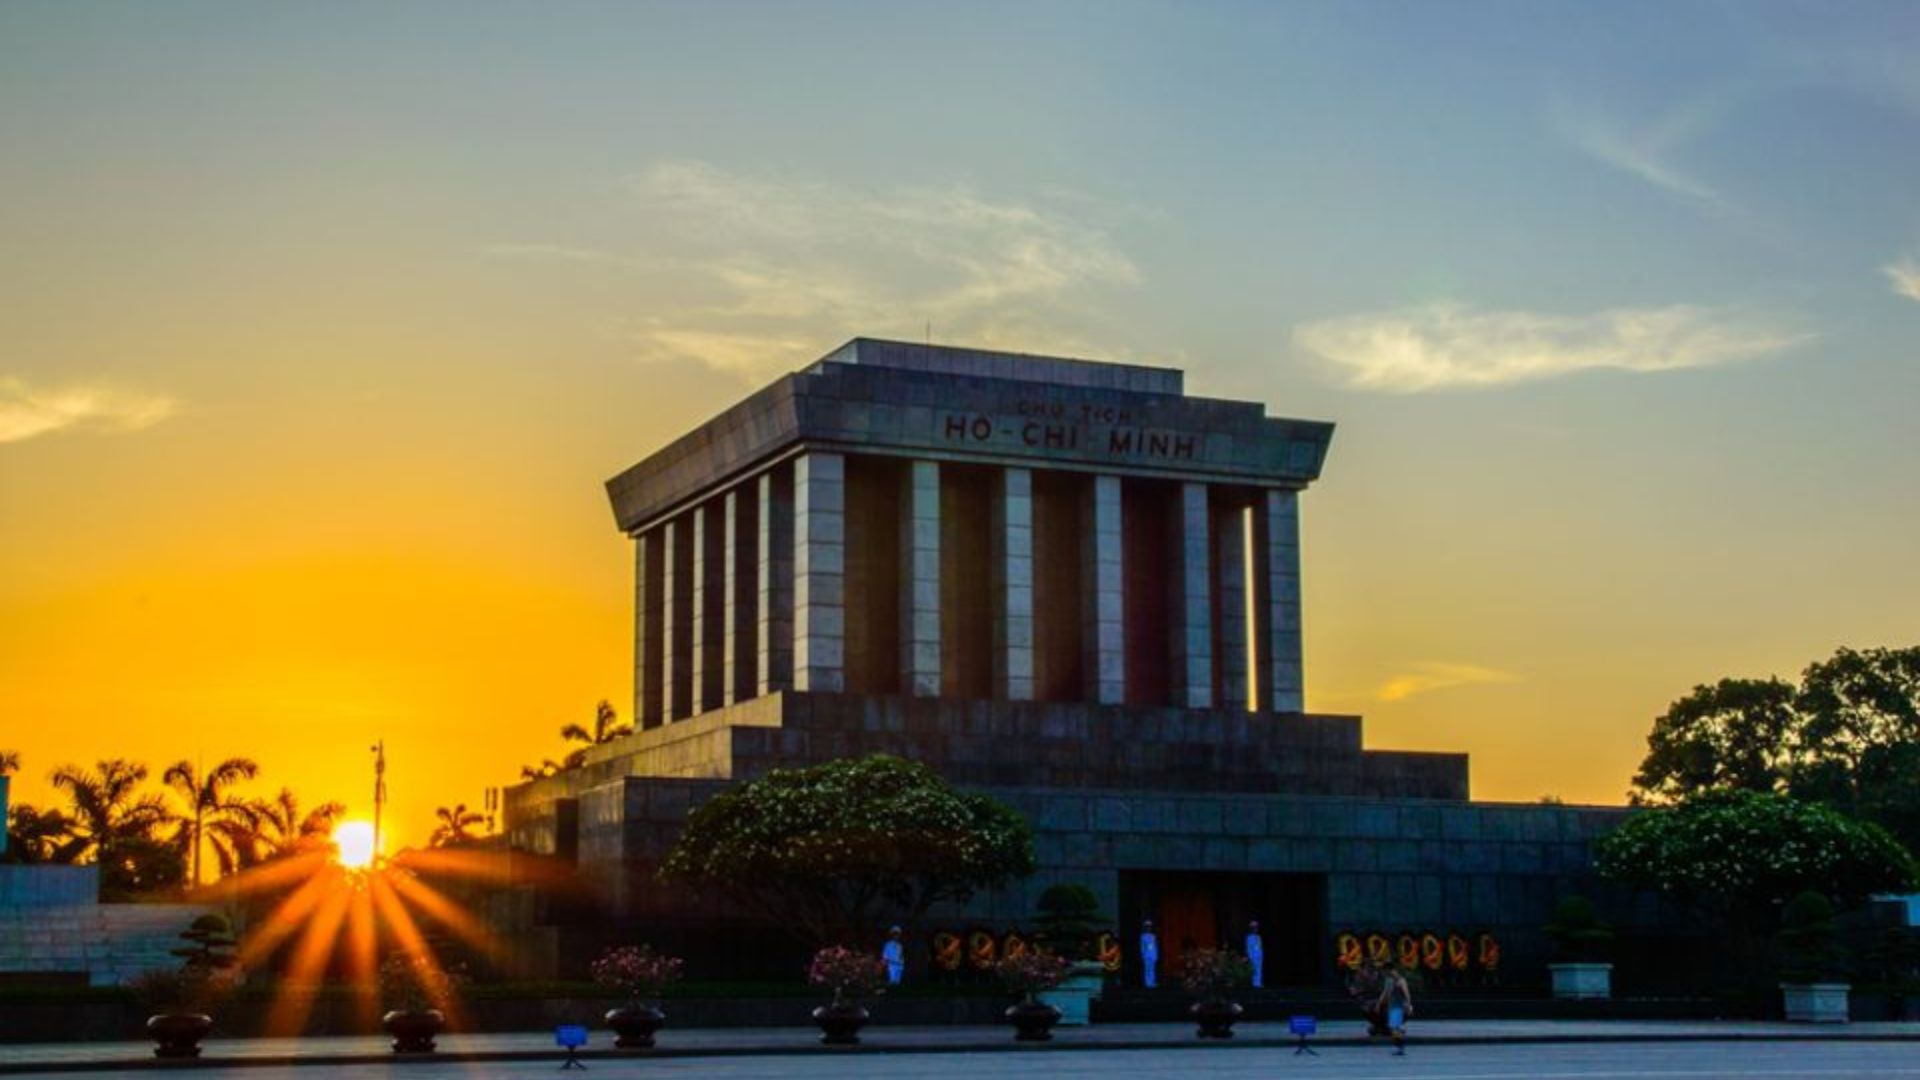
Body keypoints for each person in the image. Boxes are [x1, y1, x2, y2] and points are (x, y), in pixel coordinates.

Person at [1377, 965, 1413, 1056]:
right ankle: (1399, 1047)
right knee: (1394, 1029)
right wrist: (1379, 1004)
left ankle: (1400, 1048)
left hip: (1398, 1007)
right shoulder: (1388, 980)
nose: (1384, 974)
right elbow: (1385, 993)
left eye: (1385, 972)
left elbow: (1407, 994)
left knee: (1394, 1029)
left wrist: (1408, 1005)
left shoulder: (1400, 980)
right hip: (1391, 1006)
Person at [1139, 919, 1159, 989]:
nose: (1149, 928)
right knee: (1147, 969)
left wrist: (1156, 955)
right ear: (1145, 927)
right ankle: (1147, 983)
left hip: (1153, 954)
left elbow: (1155, 946)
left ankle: (1152, 982)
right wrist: (1143, 955)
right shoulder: (1143, 936)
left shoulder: (1153, 936)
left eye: (1150, 926)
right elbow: (1142, 947)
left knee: (1152, 969)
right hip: (1146, 955)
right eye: (1147, 926)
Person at [1245, 920, 1264, 989]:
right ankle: (1255, 984)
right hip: (1253, 957)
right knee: (1254, 971)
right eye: (1254, 928)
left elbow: (1260, 947)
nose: (1255, 929)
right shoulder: (1249, 937)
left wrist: (1262, 955)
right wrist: (1250, 957)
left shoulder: (1259, 937)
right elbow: (1249, 948)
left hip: (1259, 956)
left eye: (1256, 927)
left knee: (1259, 970)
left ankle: (1258, 983)